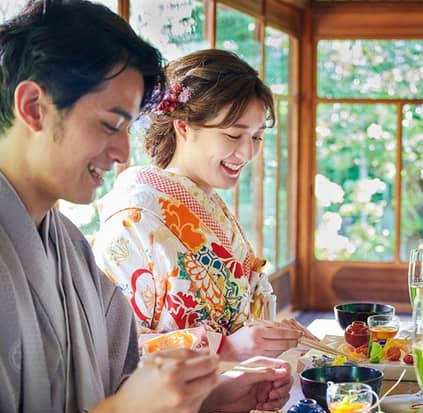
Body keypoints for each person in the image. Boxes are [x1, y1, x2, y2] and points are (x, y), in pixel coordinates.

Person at [0, 2, 293, 413]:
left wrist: (214, 391)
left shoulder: (68, 245)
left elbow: (121, 375)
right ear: (33, 107)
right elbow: (118, 407)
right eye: (109, 124)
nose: (121, 153)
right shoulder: (133, 214)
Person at [94, 49, 305, 361]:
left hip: (229, 393)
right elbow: (109, 349)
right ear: (183, 127)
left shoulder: (207, 204)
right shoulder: (135, 218)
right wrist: (225, 347)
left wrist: (274, 334)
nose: (247, 153)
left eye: (257, 137)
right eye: (234, 135)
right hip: (169, 405)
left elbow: (236, 320)